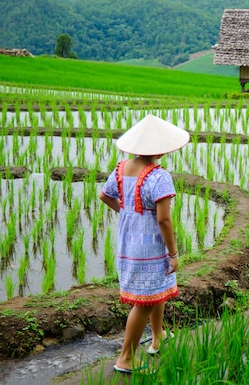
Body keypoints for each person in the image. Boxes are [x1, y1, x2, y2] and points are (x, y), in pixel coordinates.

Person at [99, 114, 190, 374]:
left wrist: (127, 212)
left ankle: (158, 335)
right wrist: (173, 252)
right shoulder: (159, 176)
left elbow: (104, 195)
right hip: (150, 248)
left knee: (156, 291)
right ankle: (126, 357)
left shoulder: (121, 168)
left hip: (128, 244)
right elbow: (163, 220)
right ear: (160, 148)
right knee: (144, 301)